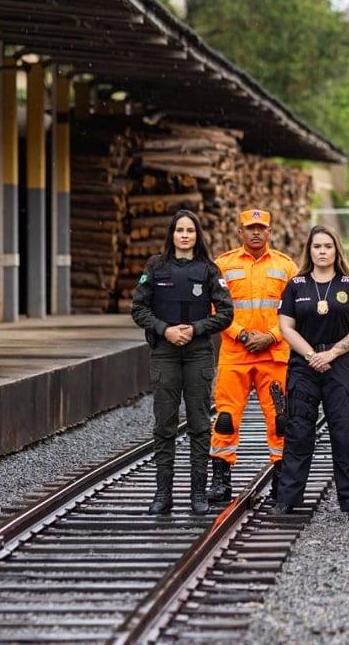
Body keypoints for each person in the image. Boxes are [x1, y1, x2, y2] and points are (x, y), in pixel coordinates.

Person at [131, 209, 234, 515]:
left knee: (200, 425)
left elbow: (227, 313)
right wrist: (165, 329)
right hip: (164, 352)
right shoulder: (156, 266)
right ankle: (163, 494)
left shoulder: (209, 270)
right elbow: (139, 308)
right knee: (165, 424)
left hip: (198, 354)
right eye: (180, 230)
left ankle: (198, 494)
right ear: (172, 234)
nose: (185, 235)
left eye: (190, 230)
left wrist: (195, 329)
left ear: (197, 235)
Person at [275, 225, 349, 521]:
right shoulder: (295, 285)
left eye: (328, 246)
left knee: (344, 432)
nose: (322, 251)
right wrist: (311, 355)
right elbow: (286, 327)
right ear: (309, 250)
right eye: (317, 246)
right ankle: (288, 498)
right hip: (304, 364)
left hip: (339, 364)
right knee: (298, 433)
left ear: (336, 249)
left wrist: (332, 353)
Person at [207, 209, 298, 504]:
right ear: (239, 232)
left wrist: (271, 335)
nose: (256, 233)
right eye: (250, 228)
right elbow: (214, 308)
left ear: (270, 232)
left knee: (280, 420)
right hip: (235, 354)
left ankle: (282, 481)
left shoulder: (286, 267)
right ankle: (221, 480)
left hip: (274, 356)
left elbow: (296, 310)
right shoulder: (223, 265)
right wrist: (242, 335)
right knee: (225, 418)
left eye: (261, 228)